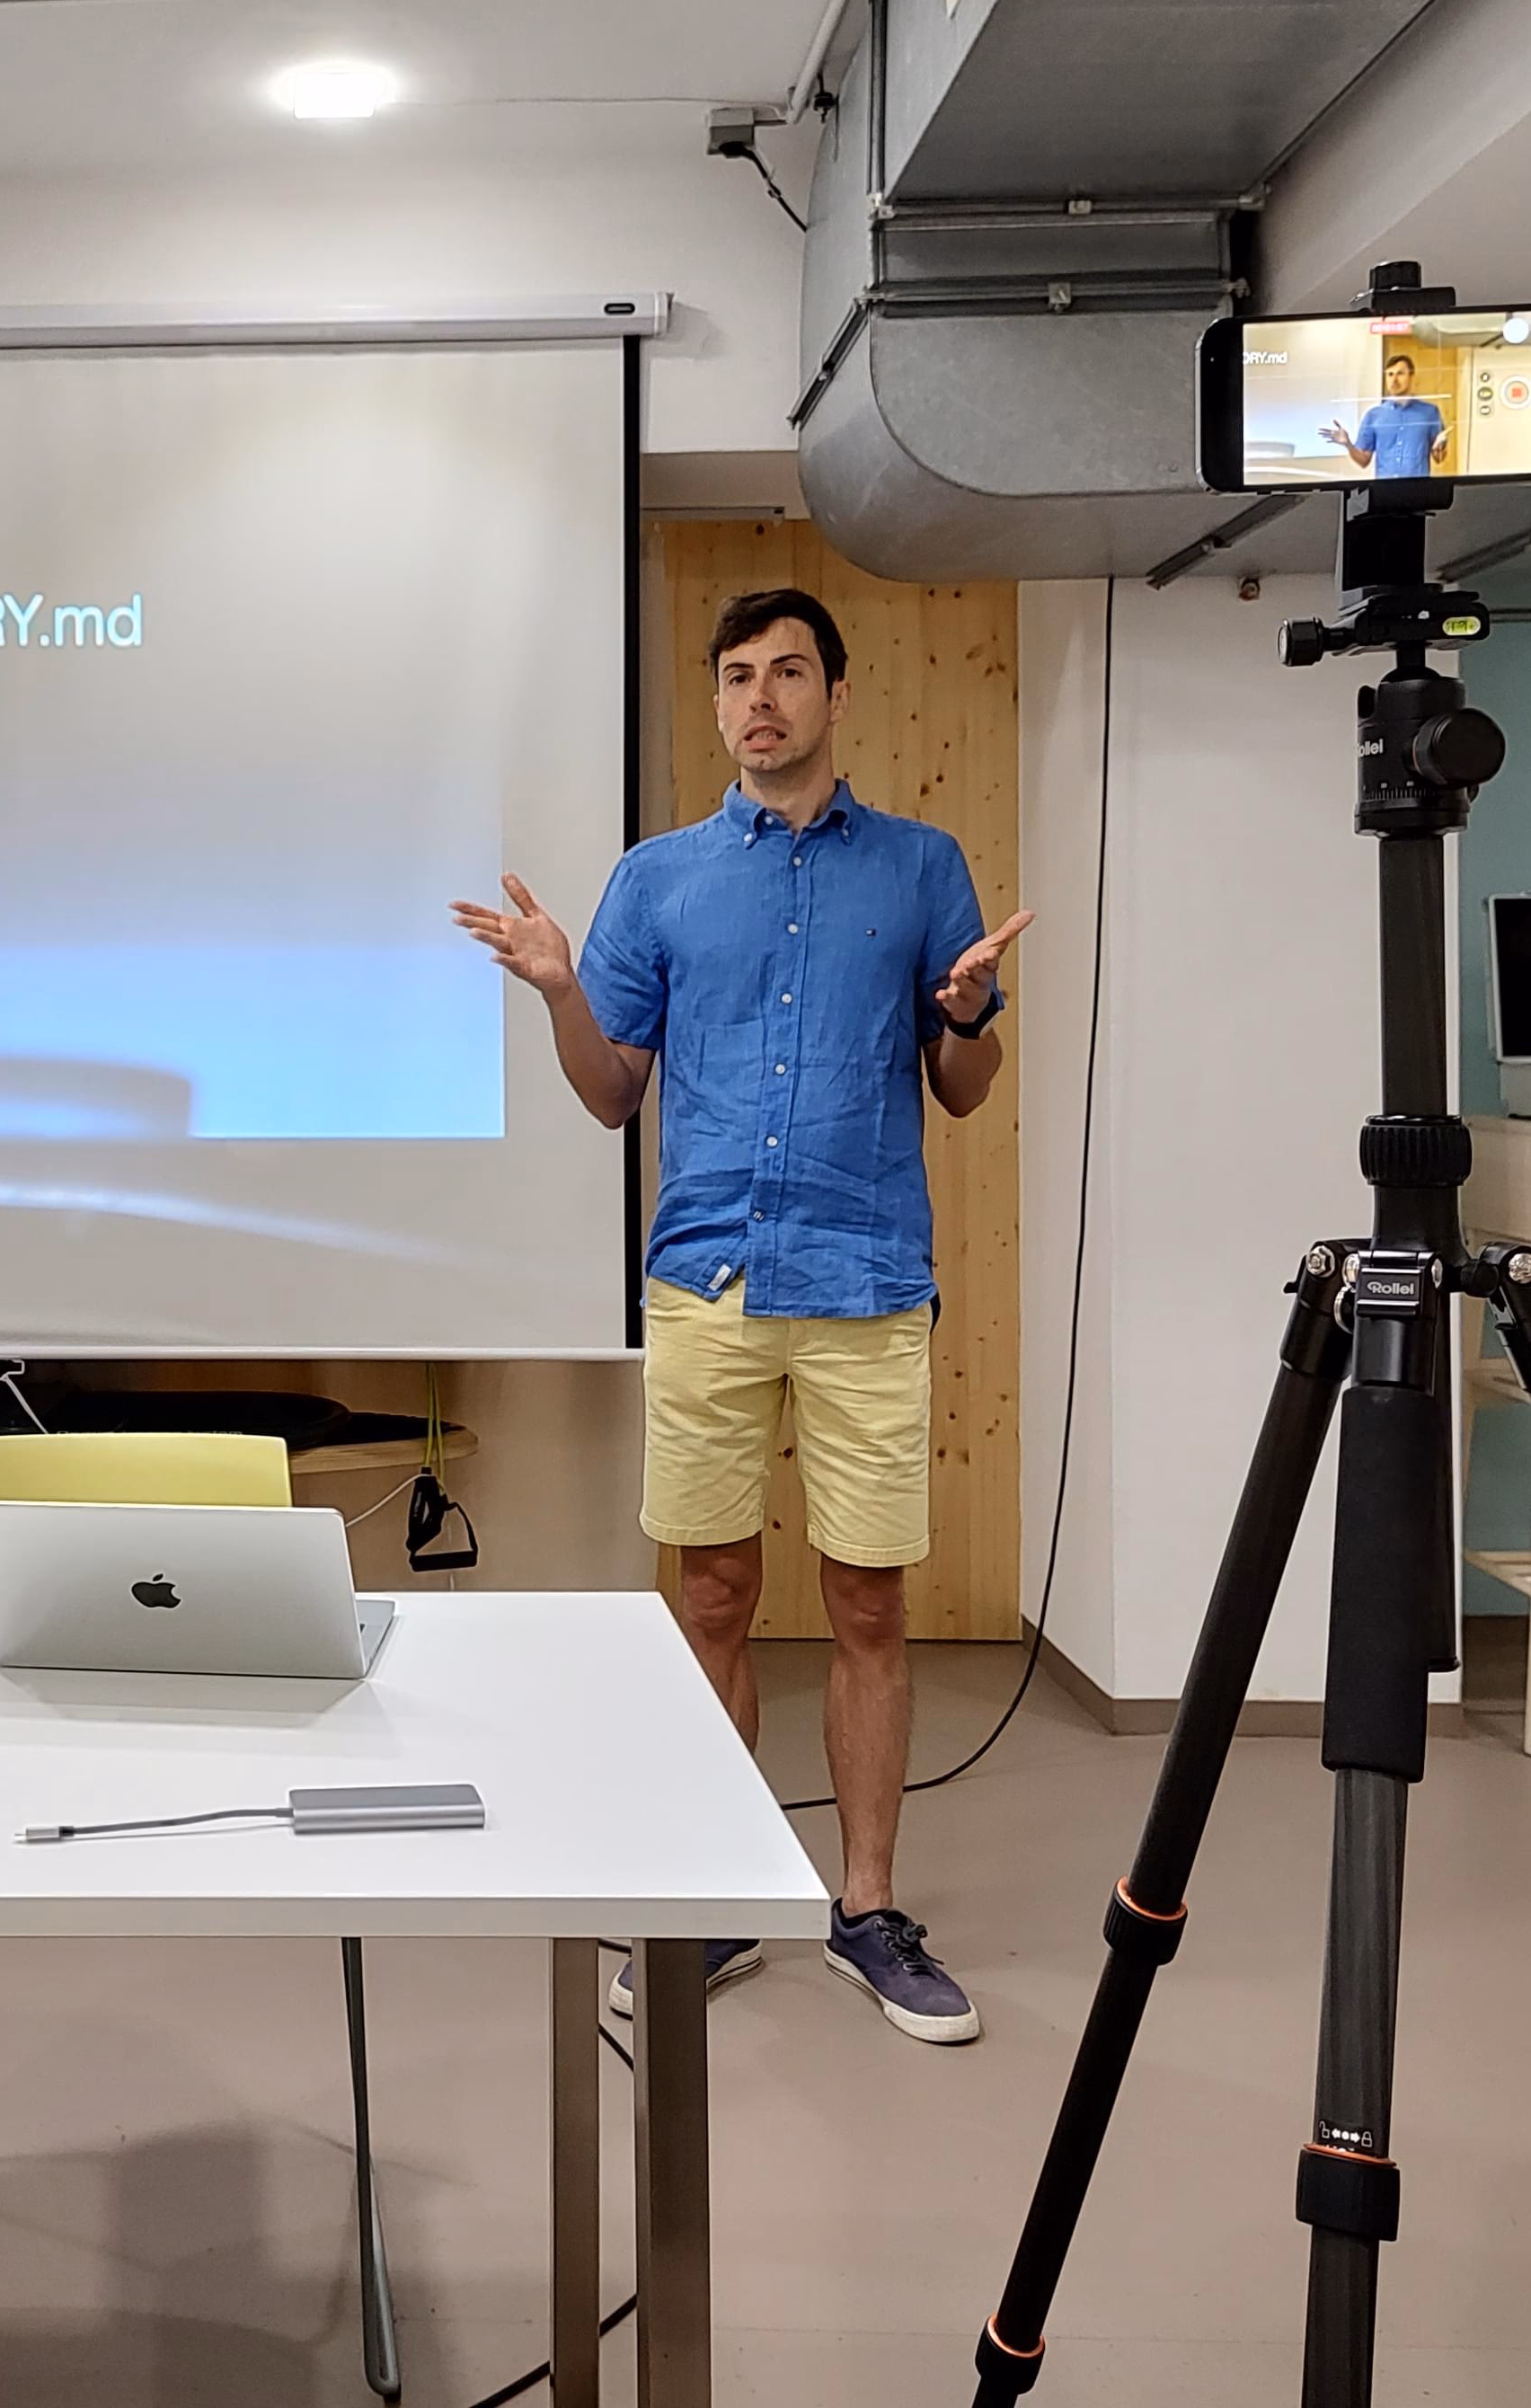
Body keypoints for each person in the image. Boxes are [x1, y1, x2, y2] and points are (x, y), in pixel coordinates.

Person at [451, 587, 1027, 2045]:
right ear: (716, 703)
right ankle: (713, 1893)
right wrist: (561, 990)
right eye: (736, 677)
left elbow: (962, 1090)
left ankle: (867, 1908)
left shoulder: (921, 867)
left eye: (786, 672)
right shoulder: (658, 879)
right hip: (706, 1281)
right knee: (708, 1596)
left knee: (868, 1601)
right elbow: (611, 1095)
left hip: (865, 1280)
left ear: (835, 693)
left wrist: (968, 1013)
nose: (758, 698)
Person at [1321, 351, 1446, 477]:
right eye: (1390, 374)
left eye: (1400, 374)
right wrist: (1348, 445)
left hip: (1419, 487)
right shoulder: (1374, 416)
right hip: (1384, 487)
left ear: (1411, 376)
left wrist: (1440, 448)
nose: (1394, 380)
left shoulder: (1429, 413)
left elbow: (1439, 458)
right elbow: (1363, 461)